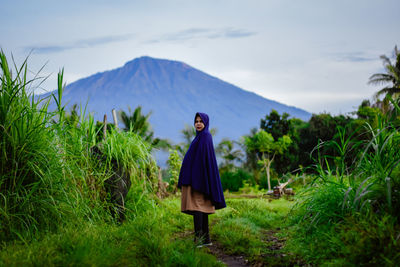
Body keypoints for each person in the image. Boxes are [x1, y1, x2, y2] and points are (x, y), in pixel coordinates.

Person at [178, 112, 226, 247]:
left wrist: (196, 180)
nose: (198, 123)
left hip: (198, 180)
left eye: (201, 121)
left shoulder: (205, 136)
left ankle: (198, 239)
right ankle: (206, 239)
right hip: (197, 178)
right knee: (202, 207)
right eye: (196, 121)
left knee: (197, 207)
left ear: (205, 123)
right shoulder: (200, 137)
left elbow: (202, 161)